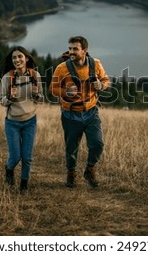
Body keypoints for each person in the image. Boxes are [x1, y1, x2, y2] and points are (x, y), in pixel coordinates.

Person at [50, 36, 110, 188]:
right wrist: (66, 91)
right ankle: (71, 173)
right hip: (70, 114)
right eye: (70, 48)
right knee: (71, 148)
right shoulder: (61, 68)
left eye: (75, 49)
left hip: (91, 112)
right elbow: (52, 89)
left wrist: (100, 86)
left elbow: (106, 81)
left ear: (84, 50)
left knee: (97, 143)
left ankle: (90, 169)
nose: (71, 52)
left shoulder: (95, 64)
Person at [0, 46, 43, 192]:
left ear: (27, 58)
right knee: (16, 156)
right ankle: (9, 169)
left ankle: (24, 184)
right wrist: (10, 97)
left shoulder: (35, 76)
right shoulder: (7, 78)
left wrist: (36, 94)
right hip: (12, 123)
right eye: (14, 58)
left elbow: (41, 99)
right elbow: (0, 100)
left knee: (27, 157)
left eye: (20, 57)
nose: (17, 60)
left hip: (30, 121)